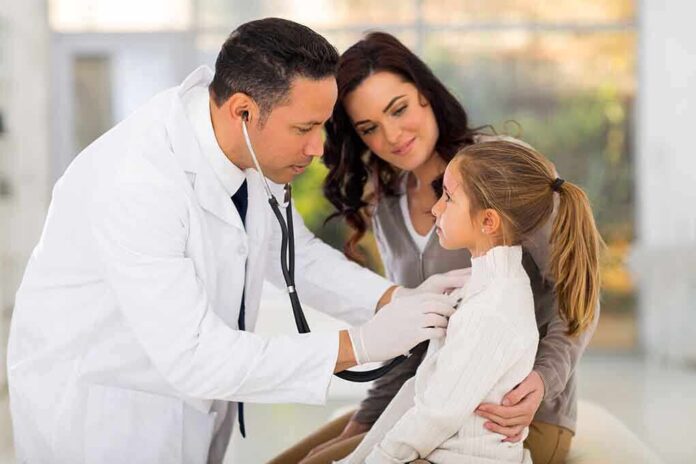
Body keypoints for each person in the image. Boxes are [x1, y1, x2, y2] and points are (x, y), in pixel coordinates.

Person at [6, 19, 463, 464]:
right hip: (106, 418)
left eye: (321, 126)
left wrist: (398, 299)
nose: (318, 148)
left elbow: (293, 255)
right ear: (243, 110)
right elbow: (194, 355)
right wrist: (359, 346)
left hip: (188, 408)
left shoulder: (249, 149)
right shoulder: (137, 182)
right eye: (304, 129)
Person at [269, 32, 598, 464]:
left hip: (507, 417)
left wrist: (543, 379)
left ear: (426, 93)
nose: (392, 136)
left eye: (398, 109)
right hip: (430, 396)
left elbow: (575, 293)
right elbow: (414, 334)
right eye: (369, 128)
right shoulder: (385, 201)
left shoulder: (497, 171)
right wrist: (366, 417)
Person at [341, 140, 602, 463]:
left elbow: (438, 413)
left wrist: (379, 458)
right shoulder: (480, 288)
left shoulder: (493, 309)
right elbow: (425, 389)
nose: (435, 208)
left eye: (448, 198)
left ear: (488, 222)